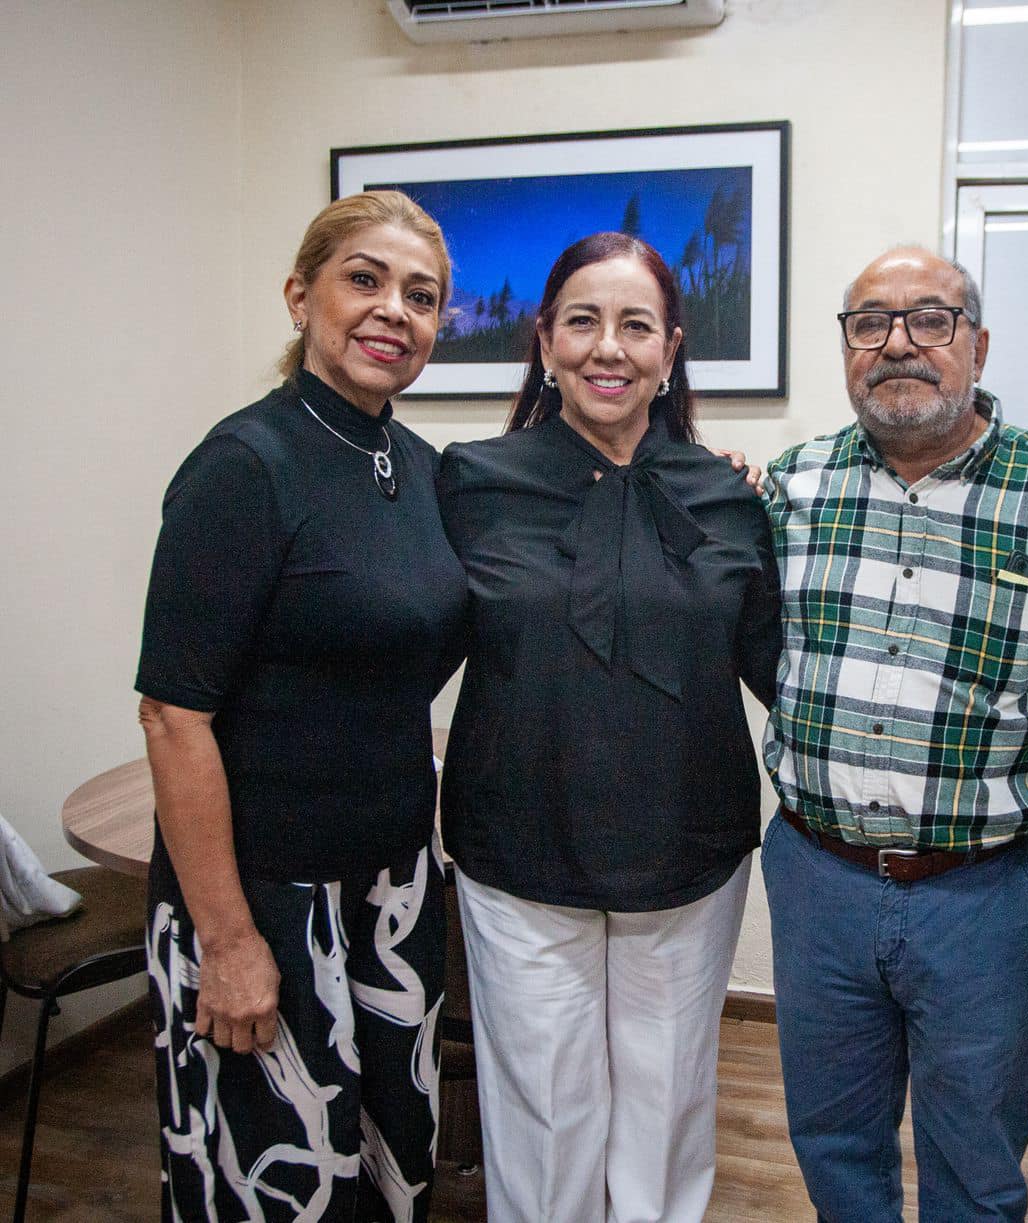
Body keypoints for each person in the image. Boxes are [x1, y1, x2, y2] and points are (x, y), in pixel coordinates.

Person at [761, 246, 1028, 1220]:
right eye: (869, 322)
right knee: (833, 1143)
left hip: (980, 896)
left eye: (929, 318)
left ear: (978, 344)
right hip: (816, 878)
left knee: (976, 1165)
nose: (897, 344)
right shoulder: (791, 488)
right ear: (845, 345)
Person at [136, 190, 469, 1220]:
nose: (393, 310)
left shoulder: (421, 471)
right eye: (364, 279)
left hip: (393, 887)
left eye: (421, 295)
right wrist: (228, 938)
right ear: (300, 296)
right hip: (264, 898)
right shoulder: (244, 465)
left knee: (390, 1167)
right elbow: (172, 716)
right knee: (280, 1183)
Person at [436, 232, 782, 1223]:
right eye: (583, 321)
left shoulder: (729, 495)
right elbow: (396, 635)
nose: (608, 347)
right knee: (544, 1115)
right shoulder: (469, 481)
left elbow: (776, 668)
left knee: (667, 1106)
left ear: (670, 349)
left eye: (636, 324)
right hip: (519, 850)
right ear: (544, 340)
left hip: (688, 851)